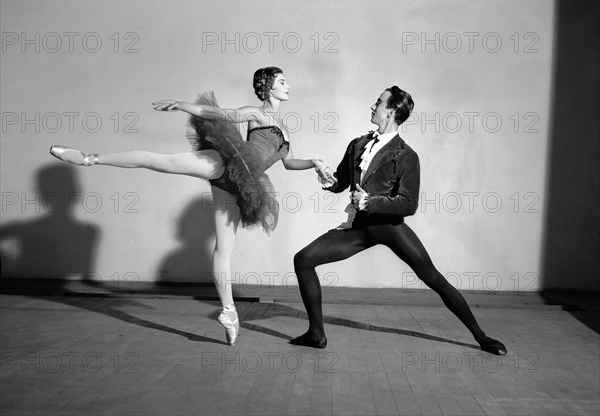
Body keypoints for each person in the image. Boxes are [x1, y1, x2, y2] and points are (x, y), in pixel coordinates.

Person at [50, 66, 332, 346]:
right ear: (268, 86)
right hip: (228, 163)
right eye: (283, 82)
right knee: (161, 161)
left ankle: (229, 311)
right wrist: (183, 106)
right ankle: (89, 158)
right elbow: (223, 115)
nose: (288, 86)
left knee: (224, 248)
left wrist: (314, 163)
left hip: (241, 187)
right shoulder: (256, 113)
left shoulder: (285, 130)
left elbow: (289, 162)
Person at [290, 86, 507, 355]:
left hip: (390, 229)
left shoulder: (406, 155)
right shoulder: (357, 145)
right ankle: (316, 333)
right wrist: (329, 180)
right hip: (359, 229)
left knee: (434, 278)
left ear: (391, 111)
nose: (373, 106)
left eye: (378, 102)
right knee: (303, 259)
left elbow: (408, 203)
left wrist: (370, 202)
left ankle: (481, 336)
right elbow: (341, 183)